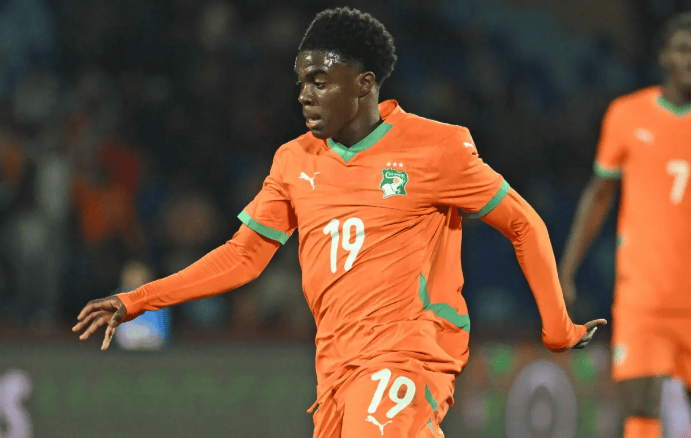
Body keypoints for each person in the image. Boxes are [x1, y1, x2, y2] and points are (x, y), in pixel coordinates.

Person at [73, 7, 604, 437]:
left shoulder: (436, 148)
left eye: (320, 81)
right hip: (336, 368)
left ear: (364, 83)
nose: (304, 93)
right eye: (302, 81)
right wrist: (137, 300)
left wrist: (557, 327)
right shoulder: (294, 162)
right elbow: (242, 256)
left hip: (408, 353)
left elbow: (523, 224)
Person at [558, 12, 691, 438]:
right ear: (665, 56)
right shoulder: (626, 115)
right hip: (643, 295)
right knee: (640, 408)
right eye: (683, 48)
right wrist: (566, 270)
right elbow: (599, 195)